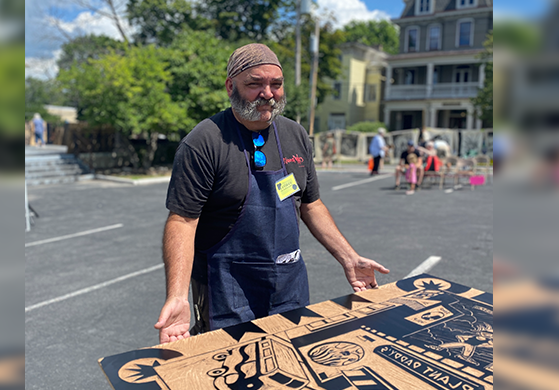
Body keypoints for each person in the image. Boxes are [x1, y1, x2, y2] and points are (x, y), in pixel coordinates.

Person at [155, 43, 389, 343]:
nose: (268, 93)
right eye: (254, 84)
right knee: (234, 378)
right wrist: (178, 296)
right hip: (226, 290)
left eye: (275, 84)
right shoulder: (204, 142)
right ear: (230, 86)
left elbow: (311, 204)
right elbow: (182, 222)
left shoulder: (295, 135)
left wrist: (349, 258)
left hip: (288, 287)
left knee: (291, 369)